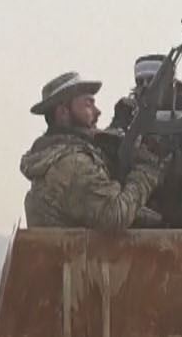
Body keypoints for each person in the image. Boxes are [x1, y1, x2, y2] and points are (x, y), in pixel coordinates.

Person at [21, 72, 165, 229]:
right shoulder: (74, 163)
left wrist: (118, 129)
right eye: (88, 104)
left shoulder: (54, 155)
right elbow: (115, 215)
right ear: (63, 112)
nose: (98, 112)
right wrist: (146, 171)